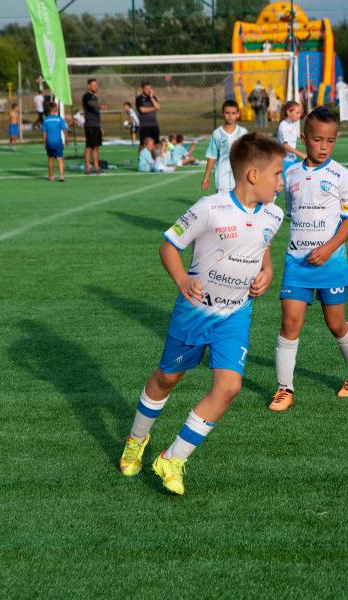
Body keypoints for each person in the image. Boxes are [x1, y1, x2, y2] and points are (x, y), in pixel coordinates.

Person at [118, 132, 286, 496]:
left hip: (235, 314)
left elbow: (263, 246)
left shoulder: (274, 214)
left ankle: (173, 458)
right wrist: (182, 279)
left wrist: (268, 272)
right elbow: (169, 245)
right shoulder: (210, 208)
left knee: (229, 386)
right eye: (277, 174)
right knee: (167, 378)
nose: (281, 182)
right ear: (253, 175)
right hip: (195, 312)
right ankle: (136, 439)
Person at [269, 106, 348, 412]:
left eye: (330, 140)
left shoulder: (342, 175)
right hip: (296, 263)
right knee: (290, 322)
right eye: (317, 140)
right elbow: (290, 211)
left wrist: (327, 248)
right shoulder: (290, 173)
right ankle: (284, 389)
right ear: (304, 138)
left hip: (331, 262)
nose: (324, 146)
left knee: (335, 322)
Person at [202, 100, 249, 193]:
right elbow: (212, 156)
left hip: (240, 179)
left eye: (233, 113)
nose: (230, 116)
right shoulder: (217, 133)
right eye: (227, 113)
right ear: (222, 113)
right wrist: (206, 177)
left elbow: (249, 155)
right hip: (222, 181)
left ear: (238, 114)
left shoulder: (243, 133)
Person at [276, 100, 306, 201]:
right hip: (283, 162)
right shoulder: (283, 125)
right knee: (277, 189)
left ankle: (295, 208)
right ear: (289, 112)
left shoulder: (292, 124)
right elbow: (285, 145)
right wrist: (302, 154)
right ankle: (265, 207)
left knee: (298, 186)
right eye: (297, 113)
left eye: (300, 113)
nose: (299, 115)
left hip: (293, 161)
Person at [82, 78, 107, 175]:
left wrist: (100, 126)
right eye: (94, 85)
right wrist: (100, 106)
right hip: (90, 125)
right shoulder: (87, 96)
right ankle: (87, 168)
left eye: (97, 85)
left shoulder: (94, 96)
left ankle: (96, 168)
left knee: (96, 147)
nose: (96, 87)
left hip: (96, 125)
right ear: (89, 86)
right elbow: (91, 104)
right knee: (89, 147)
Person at [42, 102, 68, 182]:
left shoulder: (46, 120)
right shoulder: (59, 119)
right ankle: (61, 176)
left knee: (50, 159)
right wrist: (67, 138)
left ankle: (51, 176)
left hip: (49, 142)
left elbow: (44, 133)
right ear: (55, 109)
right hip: (58, 142)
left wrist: (45, 142)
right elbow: (64, 130)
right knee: (60, 158)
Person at [135, 82, 161, 146]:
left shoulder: (153, 97)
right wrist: (154, 108)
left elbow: (158, 107)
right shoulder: (139, 98)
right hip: (144, 126)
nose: (148, 90)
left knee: (155, 144)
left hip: (154, 125)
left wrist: (151, 98)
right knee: (143, 145)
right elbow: (142, 110)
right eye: (146, 89)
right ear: (142, 89)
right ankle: (141, 153)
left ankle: (154, 153)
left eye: (150, 88)